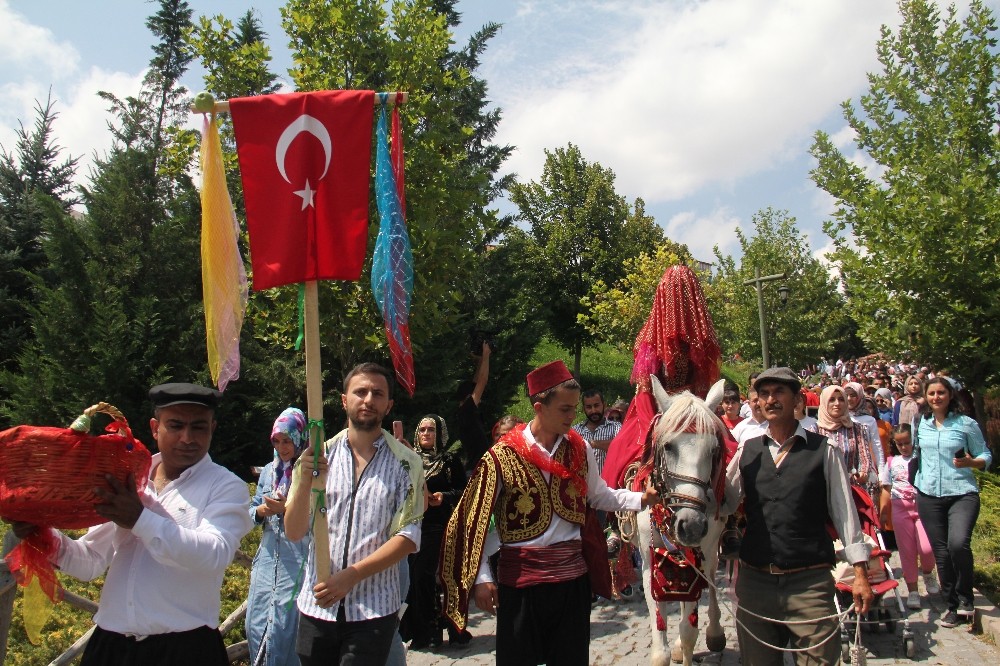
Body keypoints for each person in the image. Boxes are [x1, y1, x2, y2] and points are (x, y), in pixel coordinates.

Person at [6, 383, 254, 666]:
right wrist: (40, 534)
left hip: (185, 650)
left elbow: (214, 554)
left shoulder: (226, 486)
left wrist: (139, 518)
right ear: (155, 428)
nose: (187, 438)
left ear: (212, 428)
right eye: (175, 426)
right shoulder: (128, 478)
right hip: (110, 646)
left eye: (199, 427)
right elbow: (90, 562)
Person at [440, 360, 658, 665]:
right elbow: (473, 520)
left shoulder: (578, 449)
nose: (572, 416)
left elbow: (598, 495)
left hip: (571, 583)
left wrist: (641, 499)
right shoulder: (502, 456)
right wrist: (482, 577)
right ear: (539, 408)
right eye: (565, 409)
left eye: (574, 409)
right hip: (520, 585)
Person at [725, 368, 873, 665]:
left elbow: (845, 513)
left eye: (779, 392)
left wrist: (860, 573)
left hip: (810, 583)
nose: (770, 399)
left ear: (797, 400)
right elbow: (723, 503)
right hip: (756, 583)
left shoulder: (824, 450)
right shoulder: (748, 450)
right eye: (764, 394)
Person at [285, 363, 425, 666]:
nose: (368, 399)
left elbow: (408, 537)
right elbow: (294, 531)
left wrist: (352, 576)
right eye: (360, 392)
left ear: (388, 405)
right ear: (344, 400)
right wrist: (305, 481)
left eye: (378, 393)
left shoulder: (406, 463)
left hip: (372, 609)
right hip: (317, 606)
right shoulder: (317, 457)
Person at [912, 377, 992, 627]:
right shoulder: (920, 423)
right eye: (932, 393)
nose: (936, 397)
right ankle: (953, 605)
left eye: (941, 393)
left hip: (961, 492)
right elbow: (915, 453)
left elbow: (986, 455)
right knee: (942, 553)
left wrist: (971, 462)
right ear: (926, 397)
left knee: (957, 544)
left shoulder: (966, 423)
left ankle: (966, 597)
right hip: (928, 495)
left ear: (950, 395)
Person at [247, 408, 311, 666]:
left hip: (296, 558)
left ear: (299, 438)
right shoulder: (268, 471)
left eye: (287, 441)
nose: (282, 447)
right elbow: (252, 508)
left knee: (286, 625)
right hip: (267, 557)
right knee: (256, 621)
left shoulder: (310, 472)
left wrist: (287, 509)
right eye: (277, 441)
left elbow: (319, 515)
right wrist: (262, 511)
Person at [399, 415, 468, 649]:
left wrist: (443, 497)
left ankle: (440, 628)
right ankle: (424, 631)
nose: (426, 434)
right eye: (422, 430)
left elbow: (463, 490)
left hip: (440, 525)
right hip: (413, 525)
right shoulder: (409, 460)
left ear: (440, 434)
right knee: (416, 579)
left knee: (433, 576)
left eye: (431, 430)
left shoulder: (448, 461)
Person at [880, 424, 938, 610]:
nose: (904, 447)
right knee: (907, 551)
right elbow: (886, 489)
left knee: (927, 548)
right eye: (900, 444)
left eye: (907, 442)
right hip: (900, 510)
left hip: (922, 508)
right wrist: (883, 513)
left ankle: (928, 573)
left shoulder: (921, 458)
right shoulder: (891, 462)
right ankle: (913, 590)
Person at [815, 385, 875, 488]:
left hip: (850, 488)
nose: (837, 403)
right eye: (832, 400)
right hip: (822, 488)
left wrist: (863, 473)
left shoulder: (857, 429)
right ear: (824, 402)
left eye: (841, 399)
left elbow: (865, 458)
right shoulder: (814, 430)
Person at [455, 341, 492, 468]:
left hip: (476, 467)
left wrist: (480, 361)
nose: (479, 400)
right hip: (476, 469)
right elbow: (482, 381)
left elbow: (476, 382)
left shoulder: (464, 412)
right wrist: (486, 355)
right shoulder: (466, 411)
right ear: (467, 397)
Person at [572, 389, 621, 477]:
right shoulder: (575, 431)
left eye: (596, 406)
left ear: (604, 405)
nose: (593, 411)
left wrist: (593, 444)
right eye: (589, 407)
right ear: (583, 409)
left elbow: (620, 447)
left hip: (608, 484)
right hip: (584, 483)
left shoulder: (616, 427)